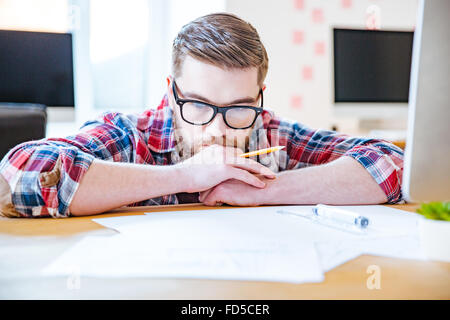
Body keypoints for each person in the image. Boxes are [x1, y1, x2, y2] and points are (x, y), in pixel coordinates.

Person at [0, 13, 403, 218]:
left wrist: (266, 192)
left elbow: (393, 163)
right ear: (172, 93)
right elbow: (20, 173)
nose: (217, 129)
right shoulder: (130, 134)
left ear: (259, 97)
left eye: (239, 108)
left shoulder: (268, 131)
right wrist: (187, 174)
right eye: (197, 105)